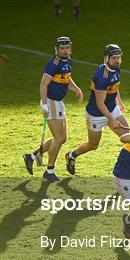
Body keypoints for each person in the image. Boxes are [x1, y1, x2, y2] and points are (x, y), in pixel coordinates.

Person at [23, 36, 83, 182]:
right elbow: (43, 84)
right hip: (51, 102)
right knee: (59, 138)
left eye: (67, 48)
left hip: (59, 103)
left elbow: (66, 79)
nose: (65, 51)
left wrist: (77, 89)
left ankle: (31, 157)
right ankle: (49, 171)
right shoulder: (53, 63)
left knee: (62, 138)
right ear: (56, 49)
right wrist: (44, 104)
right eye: (62, 48)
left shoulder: (67, 61)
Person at [65, 44, 130, 175]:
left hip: (111, 109)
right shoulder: (101, 77)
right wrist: (112, 120)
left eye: (119, 57)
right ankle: (71, 156)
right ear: (107, 58)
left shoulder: (116, 69)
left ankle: (126, 171)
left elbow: (114, 87)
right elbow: (100, 104)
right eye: (114, 58)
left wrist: (119, 101)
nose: (117, 61)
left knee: (128, 138)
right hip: (96, 114)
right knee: (93, 145)